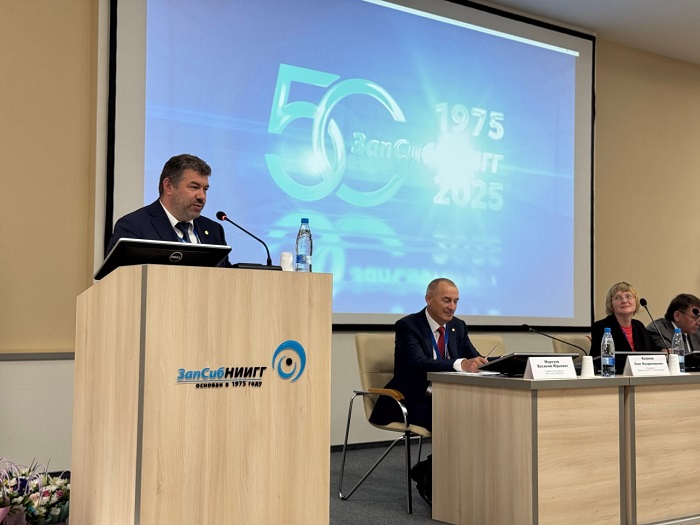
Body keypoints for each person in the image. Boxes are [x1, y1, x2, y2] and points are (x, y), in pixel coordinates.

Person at [369, 277, 488, 506]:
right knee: (457, 419)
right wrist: (460, 364)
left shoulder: (458, 326)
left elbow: (473, 357)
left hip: (447, 398)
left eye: (456, 301)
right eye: (446, 300)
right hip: (410, 399)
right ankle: (435, 477)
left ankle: (431, 469)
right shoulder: (408, 326)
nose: (452, 307)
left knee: (479, 416)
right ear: (428, 299)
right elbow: (417, 363)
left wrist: (487, 363)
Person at [106, 154, 231, 265]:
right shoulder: (134, 226)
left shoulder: (213, 230)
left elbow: (224, 275)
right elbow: (119, 278)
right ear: (168, 186)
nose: (202, 196)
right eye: (194, 187)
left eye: (205, 189)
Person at [590, 281, 658, 357]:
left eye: (628, 296)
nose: (624, 301)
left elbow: (654, 352)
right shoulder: (600, 327)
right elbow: (598, 359)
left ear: (636, 301)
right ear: (611, 304)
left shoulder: (639, 326)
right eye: (618, 297)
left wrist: (664, 351)